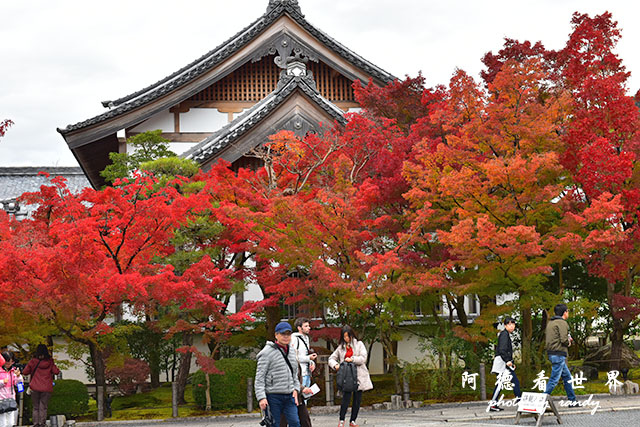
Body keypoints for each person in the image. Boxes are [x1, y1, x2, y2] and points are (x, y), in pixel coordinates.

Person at [255, 321, 301, 427]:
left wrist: (296, 389)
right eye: (283, 334)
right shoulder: (267, 352)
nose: (286, 336)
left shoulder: (292, 351)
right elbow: (259, 377)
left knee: (295, 423)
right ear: (276, 335)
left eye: (288, 334)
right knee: (274, 424)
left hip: (289, 395)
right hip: (272, 396)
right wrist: (261, 397)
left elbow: (295, 374)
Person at [328, 326, 373, 427]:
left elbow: (363, 358)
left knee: (357, 400)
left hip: (358, 375)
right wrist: (336, 365)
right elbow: (331, 358)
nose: (346, 339)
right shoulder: (341, 347)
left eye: (348, 336)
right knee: (346, 399)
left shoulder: (359, 344)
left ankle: (353, 420)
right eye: (344, 337)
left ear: (352, 335)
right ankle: (341, 420)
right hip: (347, 376)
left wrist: (352, 359)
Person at [544, 303, 578, 405]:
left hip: (552, 353)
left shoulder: (550, 323)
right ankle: (541, 401)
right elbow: (563, 340)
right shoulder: (562, 323)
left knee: (567, 377)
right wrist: (569, 342)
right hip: (559, 353)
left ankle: (572, 400)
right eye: (567, 311)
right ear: (564, 312)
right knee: (554, 379)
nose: (568, 313)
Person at [22, 344, 60, 427]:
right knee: (43, 406)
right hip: (46, 387)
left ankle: (36, 424)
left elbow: (25, 372)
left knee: (36, 407)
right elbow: (56, 371)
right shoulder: (50, 361)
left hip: (34, 387)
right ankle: (42, 424)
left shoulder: (33, 361)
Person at [489, 317, 521, 411]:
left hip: (504, 362)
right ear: (505, 325)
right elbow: (502, 350)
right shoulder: (504, 335)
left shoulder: (505, 334)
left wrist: (510, 362)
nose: (512, 326)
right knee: (512, 382)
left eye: (513, 324)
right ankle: (520, 401)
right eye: (509, 324)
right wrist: (508, 361)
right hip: (502, 363)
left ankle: (494, 404)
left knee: (507, 383)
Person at [292, 317, 317, 389]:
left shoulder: (306, 338)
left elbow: (305, 355)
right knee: (300, 396)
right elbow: (294, 357)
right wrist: (308, 358)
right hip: (299, 374)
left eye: (308, 326)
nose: (309, 328)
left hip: (307, 373)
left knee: (306, 397)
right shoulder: (294, 338)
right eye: (306, 326)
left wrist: (312, 363)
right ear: (299, 328)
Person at [0, 351, 23, 427]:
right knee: (3, 423)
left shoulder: (13, 371)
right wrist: (2, 382)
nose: (9, 363)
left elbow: (19, 386)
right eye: (7, 361)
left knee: (11, 423)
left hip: (11, 400)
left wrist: (19, 376)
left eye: (11, 361)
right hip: (1, 400)